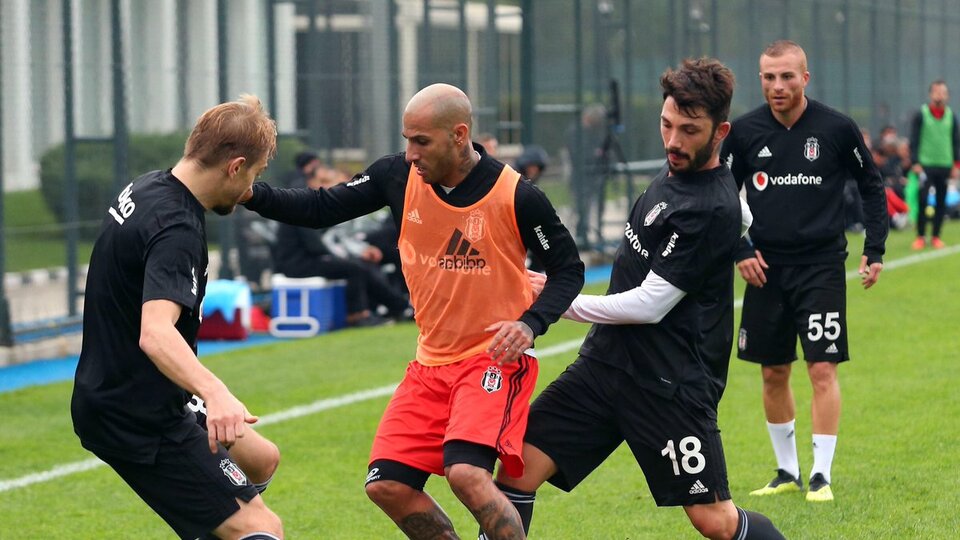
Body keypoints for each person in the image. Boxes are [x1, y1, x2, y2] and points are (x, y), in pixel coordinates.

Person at [242, 83, 584, 539]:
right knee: (387, 486)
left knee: (466, 474)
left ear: (459, 135)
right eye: (407, 139)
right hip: (429, 366)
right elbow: (322, 207)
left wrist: (530, 323)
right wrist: (249, 193)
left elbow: (568, 271)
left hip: (491, 360)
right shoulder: (397, 178)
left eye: (421, 141)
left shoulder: (518, 195)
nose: (410, 153)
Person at [491, 57, 785, 540]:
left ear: (720, 131)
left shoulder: (711, 207)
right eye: (667, 125)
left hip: (669, 384)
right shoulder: (683, 176)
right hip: (604, 366)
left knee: (714, 520)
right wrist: (743, 224)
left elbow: (648, 305)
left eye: (689, 130)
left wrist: (557, 299)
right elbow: (742, 213)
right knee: (515, 474)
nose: (673, 141)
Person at [70, 95, 284, 539]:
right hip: (135, 411)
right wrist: (215, 390)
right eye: (254, 176)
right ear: (235, 166)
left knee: (261, 458)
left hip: (134, 389)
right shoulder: (177, 229)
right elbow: (155, 334)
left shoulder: (150, 185)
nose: (249, 193)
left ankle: (211, 519)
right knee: (260, 527)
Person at [720, 40, 888, 503]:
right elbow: (720, 195)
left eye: (787, 76)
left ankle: (821, 475)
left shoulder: (836, 128)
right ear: (761, 80)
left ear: (805, 78)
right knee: (773, 372)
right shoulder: (746, 131)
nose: (778, 86)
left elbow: (872, 186)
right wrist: (740, 249)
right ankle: (786, 470)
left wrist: (874, 249)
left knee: (821, 369)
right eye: (769, 77)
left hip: (821, 268)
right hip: (766, 270)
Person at [271, 165, 411, 326]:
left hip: (310, 258)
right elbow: (316, 245)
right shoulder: (303, 206)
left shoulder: (319, 206)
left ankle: (394, 307)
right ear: (310, 182)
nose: (325, 186)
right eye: (322, 181)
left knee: (361, 266)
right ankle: (358, 315)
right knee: (354, 269)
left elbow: (333, 239)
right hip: (297, 263)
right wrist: (345, 255)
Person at [909, 79, 960, 249]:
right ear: (931, 94)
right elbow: (914, 139)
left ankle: (936, 236)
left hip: (945, 164)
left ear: (947, 95)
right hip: (925, 165)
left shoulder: (951, 116)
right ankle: (921, 236)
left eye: (943, 92)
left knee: (940, 201)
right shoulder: (921, 114)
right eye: (937, 91)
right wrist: (915, 161)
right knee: (923, 199)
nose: (940, 95)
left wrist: (956, 165)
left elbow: (955, 141)